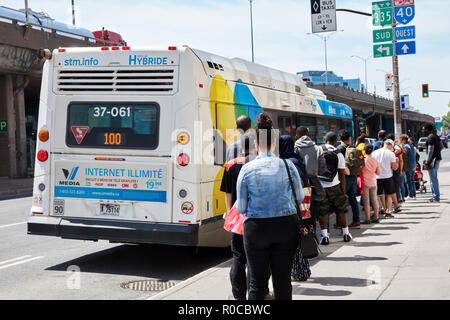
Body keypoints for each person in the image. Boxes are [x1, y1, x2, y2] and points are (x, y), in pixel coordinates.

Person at [236, 113, 304, 300]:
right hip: (285, 226)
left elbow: (241, 208)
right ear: (274, 143)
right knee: (282, 282)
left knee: (257, 283)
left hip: (256, 228)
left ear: (256, 144)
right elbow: (299, 197)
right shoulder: (288, 166)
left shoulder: (246, 169)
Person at [220, 132, 257, 300]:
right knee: (256, 259)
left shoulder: (231, 165)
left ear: (241, 147)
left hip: (237, 219)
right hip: (257, 217)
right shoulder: (258, 163)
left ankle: (238, 296)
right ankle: (255, 293)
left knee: (238, 257)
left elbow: (228, 193)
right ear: (255, 145)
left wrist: (229, 212)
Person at [279, 135, 311, 282]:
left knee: (293, 242)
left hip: (291, 205)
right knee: (299, 239)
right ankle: (302, 270)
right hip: (301, 205)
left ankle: (298, 272)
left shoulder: (286, 163)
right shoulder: (297, 158)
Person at [317, 132, 352, 245]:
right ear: (336, 140)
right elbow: (342, 175)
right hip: (335, 185)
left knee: (323, 212)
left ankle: (324, 236)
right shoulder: (338, 153)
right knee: (340, 210)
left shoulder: (318, 150)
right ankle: (346, 234)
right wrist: (343, 191)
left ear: (324, 139)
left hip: (321, 186)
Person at [294, 126, 326, 223]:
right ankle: (313, 230)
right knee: (313, 209)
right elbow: (322, 168)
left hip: (300, 182)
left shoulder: (295, 147)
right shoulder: (317, 148)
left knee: (301, 209)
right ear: (308, 134)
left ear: (297, 136)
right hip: (314, 183)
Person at [337, 130, 363, 229]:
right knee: (353, 199)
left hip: (344, 178)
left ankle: (340, 223)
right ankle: (356, 221)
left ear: (340, 139)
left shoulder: (339, 148)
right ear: (349, 139)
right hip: (353, 176)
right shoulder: (353, 148)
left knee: (341, 200)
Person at [372, 139, 399, 218]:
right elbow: (394, 168)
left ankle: (376, 213)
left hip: (377, 176)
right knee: (389, 195)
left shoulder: (375, 153)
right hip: (387, 176)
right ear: (390, 145)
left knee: (377, 195)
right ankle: (387, 211)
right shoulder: (391, 154)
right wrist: (397, 162)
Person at [423, 123, 443, 203]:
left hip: (432, 161)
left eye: (424, 129)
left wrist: (427, 161)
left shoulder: (430, 137)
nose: (423, 130)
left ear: (428, 129)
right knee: (434, 178)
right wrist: (437, 153)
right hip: (436, 159)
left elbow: (431, 150)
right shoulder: (436, 136)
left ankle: (436, 198)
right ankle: (435, 197)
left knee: (432, 179)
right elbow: (441, 147)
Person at [361, 144, 380, 224]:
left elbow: (359, 170)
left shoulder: (362, 159)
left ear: (364, 150)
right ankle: (376, 217)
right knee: (374, 200)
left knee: (366, 202)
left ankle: (367, 219)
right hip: (373, 182)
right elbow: (378, 172)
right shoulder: (375, 160)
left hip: (365, 182)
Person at [401, 134, 417, 200]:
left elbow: (404, 155)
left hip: (408, 165)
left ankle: (410, 195)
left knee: (408, 180)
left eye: (401, 140)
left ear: (404, 140)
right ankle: (414, 194)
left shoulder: (406, 146)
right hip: (413, 164)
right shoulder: (411, 145)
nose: (401, 141)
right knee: (412, 180)